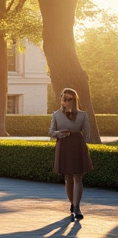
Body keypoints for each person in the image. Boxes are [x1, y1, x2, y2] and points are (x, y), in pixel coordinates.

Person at [51, 87, 93, 220]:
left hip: (77, 145)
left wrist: (81, 143)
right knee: (68, 179)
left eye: (70, 99)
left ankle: (77, 207)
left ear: (75, 100)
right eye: (65, 98)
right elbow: (51, 132)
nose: (67, 101)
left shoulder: (82, 115)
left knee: (78, 177)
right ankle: (72, 203)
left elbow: (87, 133)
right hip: (63, 144)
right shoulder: (56, 115)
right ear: (62, 100)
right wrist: (59, 134)